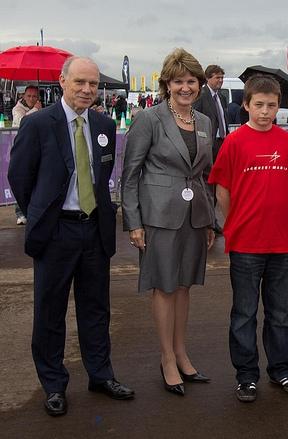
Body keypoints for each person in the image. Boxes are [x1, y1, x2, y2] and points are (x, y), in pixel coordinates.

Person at [8, 56, 135, 417]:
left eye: (93, 84)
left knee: (96, 309)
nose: (87, 90)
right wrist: (42, 211)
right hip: (56, 232)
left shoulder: (104, 124)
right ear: (62, 82)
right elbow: (19, 177)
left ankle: (101, 375)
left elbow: (102, 173)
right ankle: (53, 384)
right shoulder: (38, 125)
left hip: (94, 229)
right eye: (79, 82)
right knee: (50, 312)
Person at [121, 48, 216, 397]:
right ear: (167, 84)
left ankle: (181, 352)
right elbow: (130, 174)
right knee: (164, 285)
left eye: (191, 81)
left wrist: (209, 221)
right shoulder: (149, 119)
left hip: (193, 217)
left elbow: (202, 175)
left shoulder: (204, 122)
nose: (185, 87)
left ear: (200, 85)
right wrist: (133, 221)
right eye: (178, 81)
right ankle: (166, 358)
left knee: (184, 285)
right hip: (158, 217)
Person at [209, 75, 288, 403]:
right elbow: (222, 188)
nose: (265, 111)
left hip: (281, 244)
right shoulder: (235, 143)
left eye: (271, 105)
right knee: (245, 313)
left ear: (279, 107)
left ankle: (280, 369)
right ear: (246, 105)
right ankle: (246, 375)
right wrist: (234, 222)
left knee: (281, 313)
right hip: (246, 243)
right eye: (259, 105)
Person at [193, 64, 229, 233]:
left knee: (218, 183)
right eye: (217, 78)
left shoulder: (221, 97)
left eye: (222, 77)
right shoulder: (201, 96)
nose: (220, 81)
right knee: (208, 182)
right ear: (208, 78)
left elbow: (223, 119)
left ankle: (212, 219)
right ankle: (208, 220)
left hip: (222, 142)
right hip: (208, 143)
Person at [11, 85, 42, 225]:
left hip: (35, 149)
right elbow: (21, 122)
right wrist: (36, 110)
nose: (31, 98)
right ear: (23, 96)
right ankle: (20, 212)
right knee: (21, 180)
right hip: (20, 150)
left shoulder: (39, 109)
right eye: (29, 96)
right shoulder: (17, 109)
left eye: (34, 96)